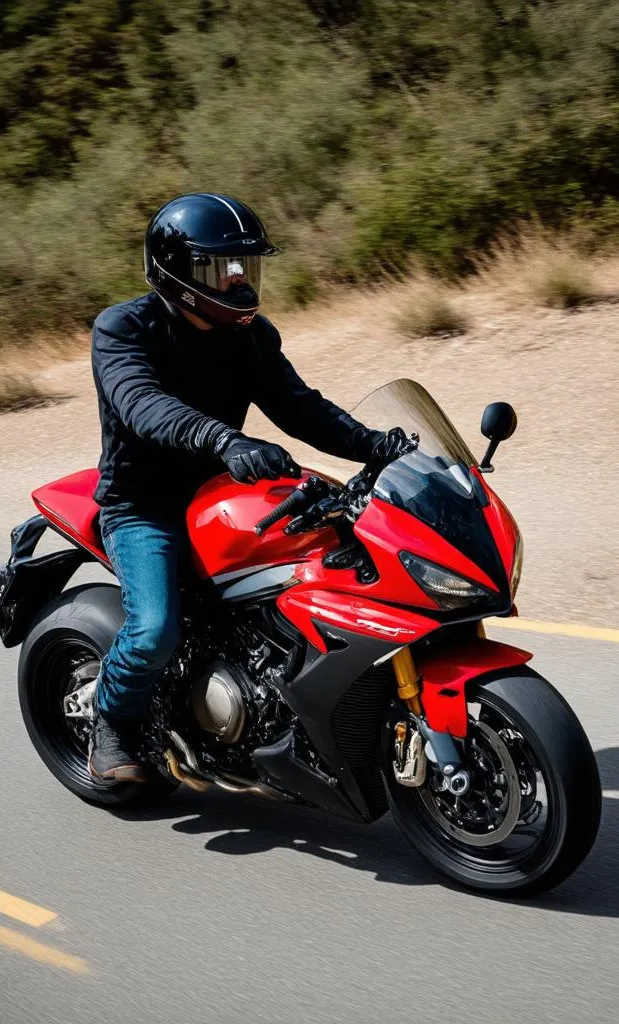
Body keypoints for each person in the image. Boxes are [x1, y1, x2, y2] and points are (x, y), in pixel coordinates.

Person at [88, 192, 410, 783]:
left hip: (223, 492)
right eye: (221, 266)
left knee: (333, 563)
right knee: (155, 629)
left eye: (247, 265)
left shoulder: (249, 336)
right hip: (145, 506)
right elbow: (142, 405)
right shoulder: (124, 329)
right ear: (178, 273)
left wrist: (376, 445)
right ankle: (111, 724)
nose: (239, 279)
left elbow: (298, 407)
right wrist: (225, 442)